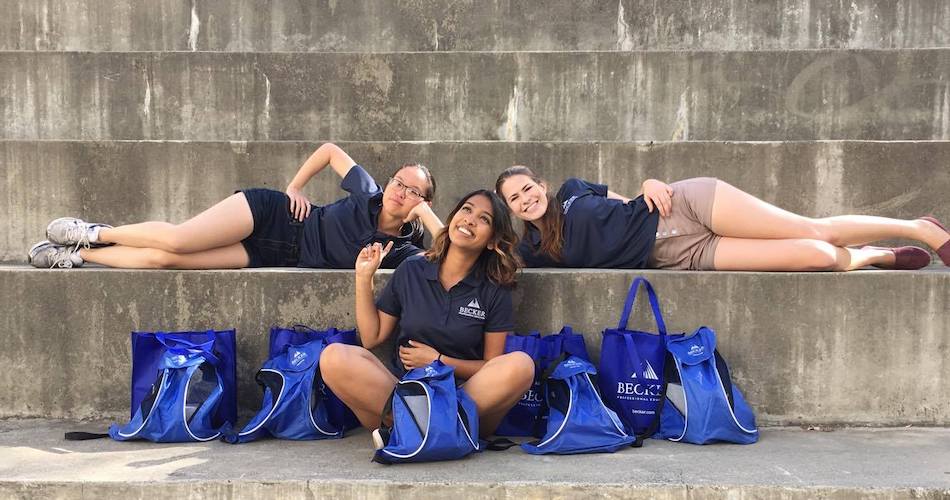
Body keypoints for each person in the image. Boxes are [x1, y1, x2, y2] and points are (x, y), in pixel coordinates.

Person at [320, 190, 534, 442]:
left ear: (491, 240)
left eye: (484, 219)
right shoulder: (412, 269)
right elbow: (371, 337)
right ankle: (435, 430)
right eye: (466, 209)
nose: (470, 219)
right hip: (404, 390)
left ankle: (410, 429)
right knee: (334, 357)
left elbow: (492, 366)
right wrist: (363, 277)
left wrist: (440, 361)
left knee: (521, 365)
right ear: (453, 217)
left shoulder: (494, 288)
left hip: (461, 396)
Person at [27, 143, 443, 270]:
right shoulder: (368, 191)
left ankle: (77, 255)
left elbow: (449, 254)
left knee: (166, 261)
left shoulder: (405, 250)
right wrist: (295, 186)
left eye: (412, 191)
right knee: (179, 239)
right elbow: (331, 151)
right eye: (398, 182)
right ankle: (95, 232)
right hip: (275, 214)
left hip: (278, 254)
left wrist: (424, 217)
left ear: (423, 203)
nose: (400, 192)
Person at [495, 166, 950, 271]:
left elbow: (628, 200)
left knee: (813, 228)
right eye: (514, 199)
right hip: (679, 255)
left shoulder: (574, 190)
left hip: (686, 205)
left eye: (527, 188)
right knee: (820, 257)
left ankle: (919, 228)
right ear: (511, 210)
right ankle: (874, 256)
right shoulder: (533, 250)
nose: (525, 199)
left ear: (542, 185)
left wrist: (651, 182)